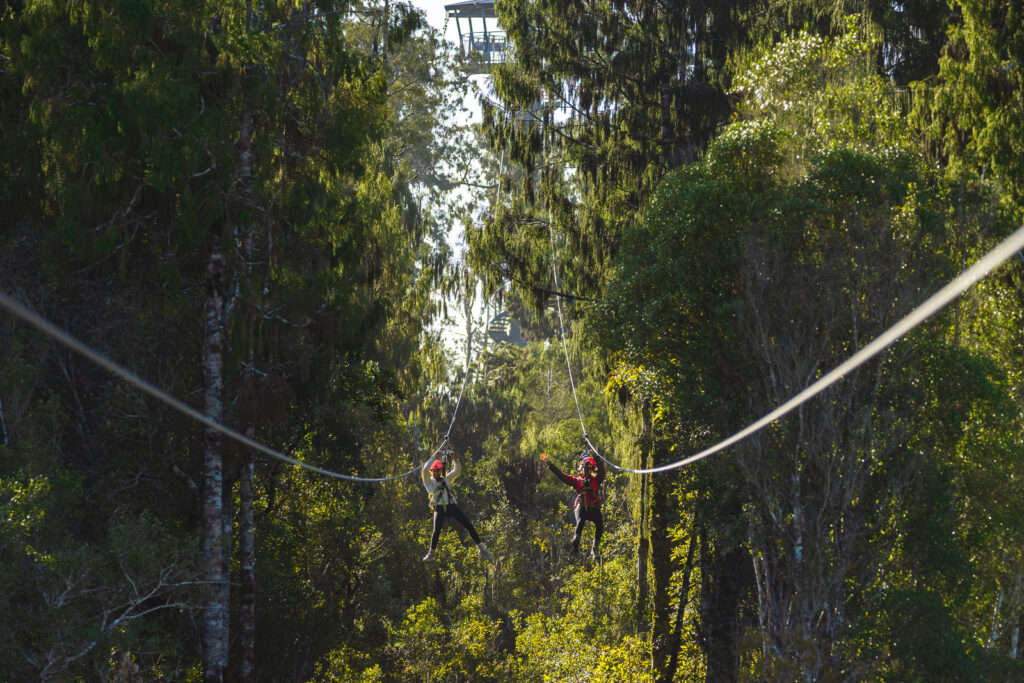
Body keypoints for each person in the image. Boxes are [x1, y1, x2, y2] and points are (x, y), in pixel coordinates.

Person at [421, 453, 492, 561]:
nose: (436, 473)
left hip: (451, 506)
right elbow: (425, 469)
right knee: (436, 530)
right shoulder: (429, 482)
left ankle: (482, 549)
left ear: (440, 471)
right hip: (439, 507)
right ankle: (431, 552)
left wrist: (455, 458)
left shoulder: (446, 479)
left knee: (468, 524)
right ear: (432, 472)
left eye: (438, 470)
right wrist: (434, 457)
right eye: (434, 471)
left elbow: (457, 471)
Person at [540, 450, 606, 559]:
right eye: (584, 468)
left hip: (593, 507)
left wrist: (595, 456)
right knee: (580, 521)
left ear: (591, 469)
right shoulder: (577, 481)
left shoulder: (596, 480)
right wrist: (549, 463)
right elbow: (561, 475)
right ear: (581, 469)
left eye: (588, 468)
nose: (585, 471)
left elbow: (602, 471)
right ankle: (576, 542)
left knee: (600, 524)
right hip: (582, 507)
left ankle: (595, 548)